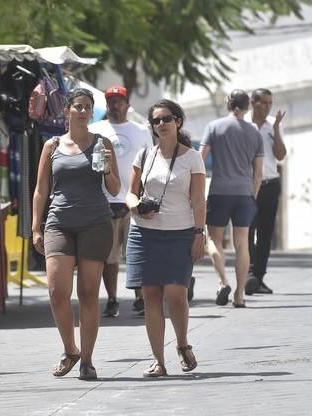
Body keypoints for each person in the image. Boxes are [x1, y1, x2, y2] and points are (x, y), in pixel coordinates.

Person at [32, 88, 121, 380]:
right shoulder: (52, 145)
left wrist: (107, 167)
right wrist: (36, 227)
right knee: (57, 292)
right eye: (78, 106)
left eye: (87, 107)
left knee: (88, 293)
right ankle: (71, 349)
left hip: (95, 223)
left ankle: (87, 360)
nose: (82, 112)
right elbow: (41, 189)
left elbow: (115, 189)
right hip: (59, 222)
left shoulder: (102, 143)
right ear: (67, 110)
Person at [125, 99, 206, 377]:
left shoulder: (192, 157)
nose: (161, 124)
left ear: (178, 121)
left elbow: (198, 199)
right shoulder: (144, 155)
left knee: (176, 296)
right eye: (156, 120)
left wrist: (199, 233)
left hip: (180, 233)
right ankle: (158, 361)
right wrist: (134, 206)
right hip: (144, 233)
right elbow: (130, 192)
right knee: (150, 296)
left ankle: (182, 344)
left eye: (166, 118)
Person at [89, 85, 153, 318]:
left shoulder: (141, 130)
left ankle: (140, 297)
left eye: (119, 101)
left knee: (137, 252)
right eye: (111, 101)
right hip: (105, 200)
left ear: (127, 104)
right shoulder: (96, 129)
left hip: (134, 200)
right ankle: (113, 299)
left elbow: (150, 163)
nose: (115, 105)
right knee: (109, 257)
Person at [200, 89, 264, 308]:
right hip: (245, 193)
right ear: (248, 107)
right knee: (242, 244)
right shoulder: (255, 133)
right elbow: (259, 173)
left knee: (213, 239)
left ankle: (223, 281)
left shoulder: (214, 127)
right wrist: (252, 195)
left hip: (219, 191)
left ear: (228, 104)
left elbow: (200, 160)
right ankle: (239, 295)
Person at [245, 88, 286, 296]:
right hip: (249, 185)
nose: (268, 106)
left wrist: (277, 129)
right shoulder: (243, 125)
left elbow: (280, 156)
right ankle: (248, 274)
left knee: (265, 234)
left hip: (270, 184)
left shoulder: (273, 126)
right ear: (253, 102)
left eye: (270, 103)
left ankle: (258, 277)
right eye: (264, 102)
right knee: (246, 231)